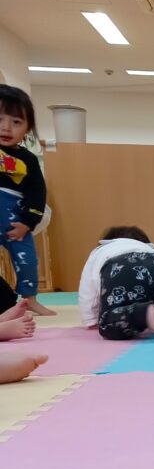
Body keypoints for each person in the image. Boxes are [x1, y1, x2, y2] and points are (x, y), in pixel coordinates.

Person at [78, 226, 154, 340]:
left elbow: (88, 291)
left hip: (120, 267)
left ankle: (141, 313)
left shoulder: (100, 251)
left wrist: (91, 319)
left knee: (109, 323)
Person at [0, 84, 55, 316]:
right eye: (0, 119)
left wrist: (27, 223)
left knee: (28, 261)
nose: (6, 127)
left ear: (27, 128)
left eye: (16, 122)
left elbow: (37, 193)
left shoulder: (28, 160)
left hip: (16, 221)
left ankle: (29, 298)